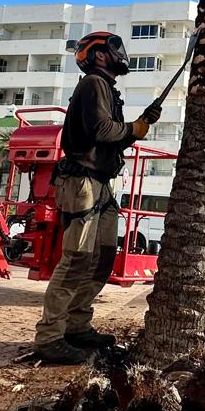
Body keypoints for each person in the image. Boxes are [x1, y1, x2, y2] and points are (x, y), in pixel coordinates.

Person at [34, 32, 161, 364]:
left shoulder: (105, 87)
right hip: (82, 182)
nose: (121, 54)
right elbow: (102, 131)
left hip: (100, 183)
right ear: (100, 55)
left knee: (102, 259)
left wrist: (141, 124)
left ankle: (77, 325)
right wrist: (134, 128)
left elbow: (111, 141)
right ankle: (49, 337)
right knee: (77, 259)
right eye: (114, 49)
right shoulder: (93, 83)